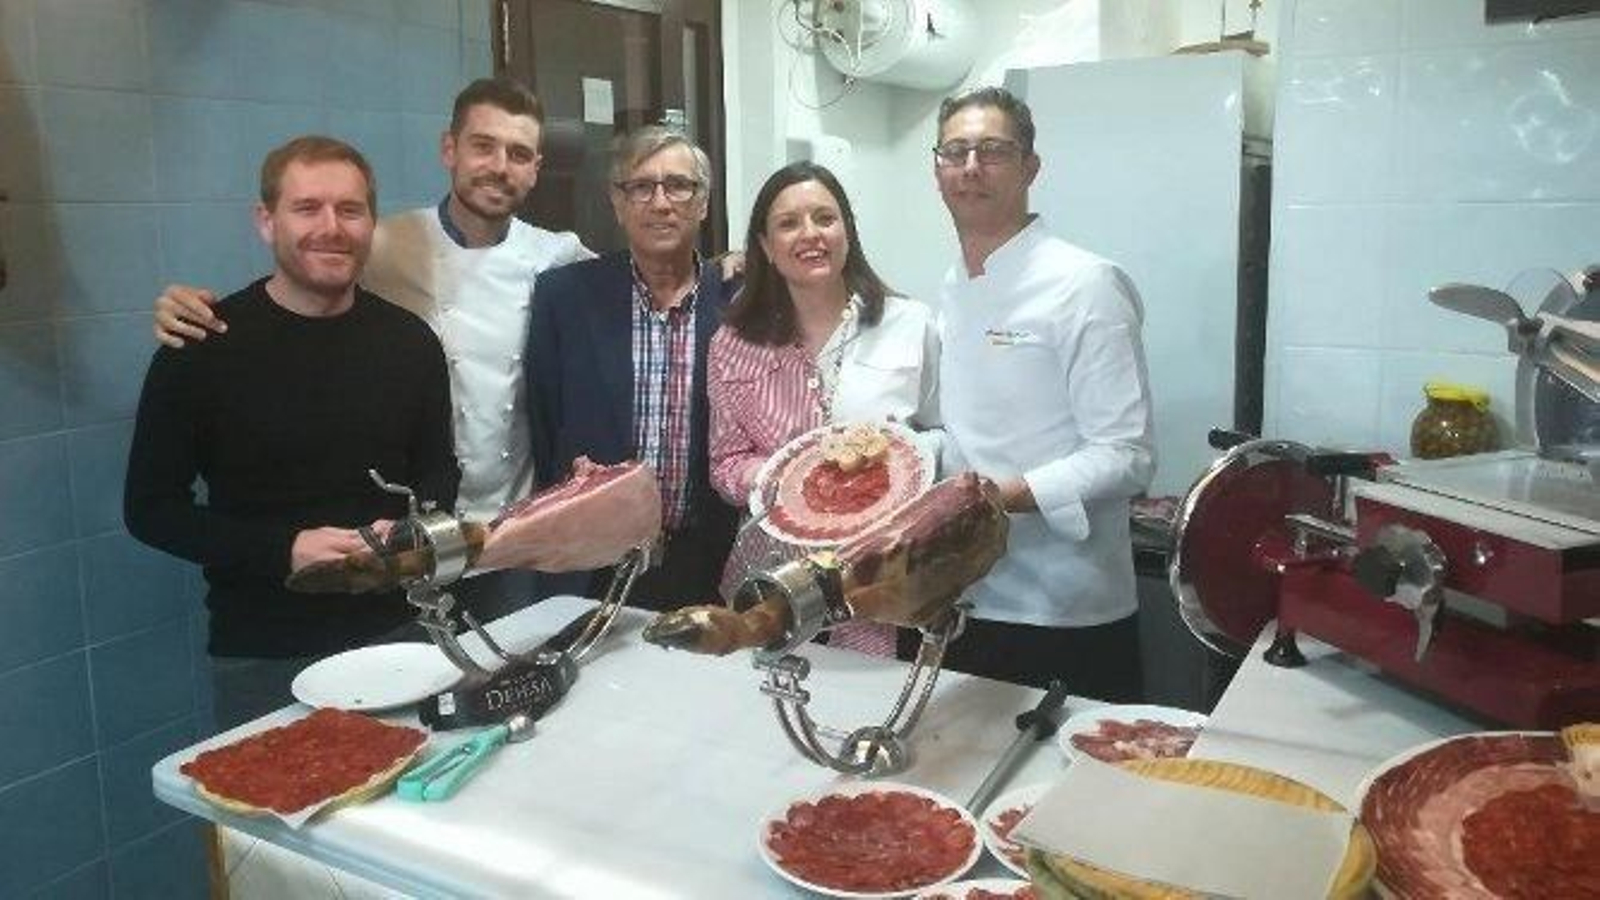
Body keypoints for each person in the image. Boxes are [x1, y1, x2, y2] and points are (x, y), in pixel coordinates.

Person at [149, 77, 591, 622]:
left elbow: (637, 285)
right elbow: (297, 286)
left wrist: (723, 273)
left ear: (536, 167)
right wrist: (181, 305)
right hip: (395, 550)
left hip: (502, 525)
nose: (500, 165)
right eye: (483, 145)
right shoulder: (380, 240)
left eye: (519, 153)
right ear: (448, 149)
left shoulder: (558, 253)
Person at [125, 136, 459, 729]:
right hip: (263, 654)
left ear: (370, 223)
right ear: (266, 220)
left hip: (401, 636)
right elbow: (150, 510)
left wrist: (411, 528)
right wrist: (284, 548)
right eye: (307, 208)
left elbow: (440, 471)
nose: (331, 227)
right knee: (269, 819)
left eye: (350, 210)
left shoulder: (411, 343)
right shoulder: (200, 350)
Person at [930, 86, 1155, 700]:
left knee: (1067, 792)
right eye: (956, 151)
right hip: (963, 595)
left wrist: (1000, 499)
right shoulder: (952, 284)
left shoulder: (1086, 284)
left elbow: (1127, 455)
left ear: (1031, 167)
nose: (971, 166)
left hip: (1063, 606)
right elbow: (968, 430)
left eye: (993, 150)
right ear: (938, 169)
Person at [707, 161, 940, 654]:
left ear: (847, 232)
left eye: (824, 218)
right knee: (769, 710)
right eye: (789, 223)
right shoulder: (733, 341)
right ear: (766, 248)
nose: (809, 234)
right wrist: (791, 477)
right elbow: (724, 466)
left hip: (882, 575)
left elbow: (946, 434)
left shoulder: (912, 323)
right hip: (770, 577)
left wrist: (897, 459)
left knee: (869, 708)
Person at [527, 126, 740, 611]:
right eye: (641, 187)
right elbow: (543, 424)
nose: (661, 203)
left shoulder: (739, 301)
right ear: (617, 203)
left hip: (707, 564)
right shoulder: (564, 298)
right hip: (591, 563)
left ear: (703, 202)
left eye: (679, 185)